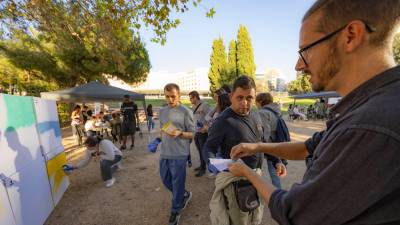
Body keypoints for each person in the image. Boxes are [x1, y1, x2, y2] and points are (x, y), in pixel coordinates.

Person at [228, 1, 400, 224]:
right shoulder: (370, 105)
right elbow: (308, 147)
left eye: (306, 50)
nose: (299, 66)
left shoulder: (369, 125)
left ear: (351, 35)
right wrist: (257, 147)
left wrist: (246, 172)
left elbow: (294, 214)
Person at [205, 76, 281, 225]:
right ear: (231, 96)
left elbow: (263, 143)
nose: (244, 103)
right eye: (239, 97)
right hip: (236, 183)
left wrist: (276, 161)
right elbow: (209, 147)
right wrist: (215, 165)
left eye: (249, 98)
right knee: (239, 220)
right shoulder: (223, 120)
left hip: (256, 178)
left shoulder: (256, 115)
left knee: (255, 217)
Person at [158, 83, 194, 225]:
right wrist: (157, 140)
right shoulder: (162, 111)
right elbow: (163, 129)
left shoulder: (186, 111)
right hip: (165, 153)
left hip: (180, 154)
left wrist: (181, 133)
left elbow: (193, 134)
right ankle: (184, 194)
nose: (170, 99)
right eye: (167, 96)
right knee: (166, 181)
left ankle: (176, 210)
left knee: (177, 184)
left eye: (173, 96)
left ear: (179, 95)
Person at [255, 93, 287, 189]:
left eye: (256, 102)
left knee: (267, 171)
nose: (255, 104)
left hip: (269, 147)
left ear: (260, 101)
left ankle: (277, 196)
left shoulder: (263, 113)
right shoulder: (276, 111)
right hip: (277, 145)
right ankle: (278, 192)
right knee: (275, 173)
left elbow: (264, 134)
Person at [189, 90, 212, 177]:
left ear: (195, 97)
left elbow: (211, 117)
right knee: (199, 151)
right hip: (196, 132)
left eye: (191, 98)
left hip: (203, 133)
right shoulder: (193, 106)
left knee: (203, 151)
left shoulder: (205, 105)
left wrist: (206, 127)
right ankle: (201, 166)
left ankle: (203, 169)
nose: (190, 100)